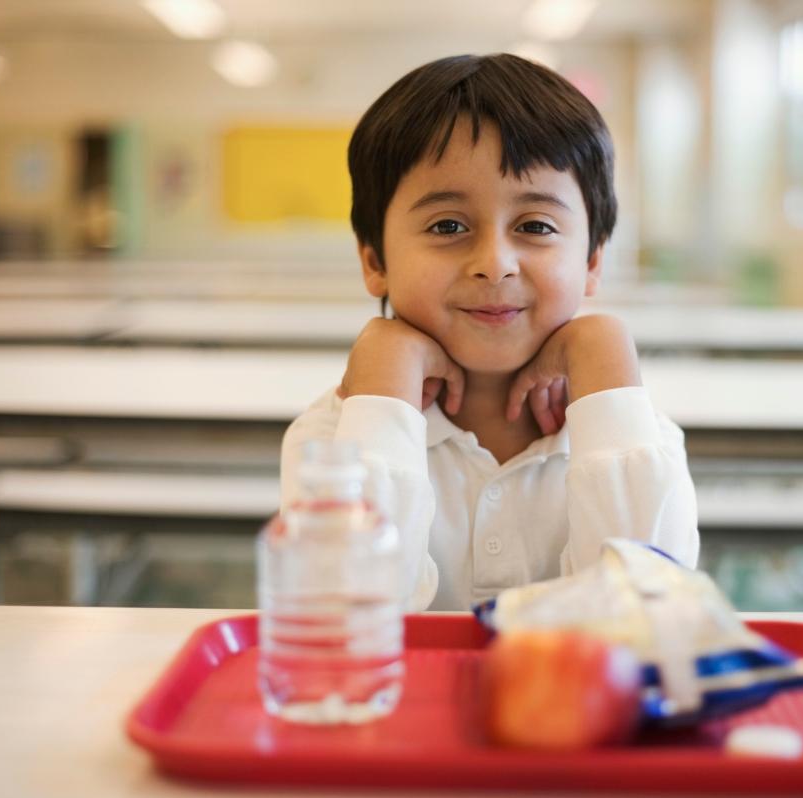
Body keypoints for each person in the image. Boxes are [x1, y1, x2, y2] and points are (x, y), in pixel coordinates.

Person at [280, 53, 699, 611]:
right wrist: (384, 382)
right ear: (375, 259)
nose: (495, 263)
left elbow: (650, 611)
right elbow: (346, 622)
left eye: (535, 226)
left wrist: (606, 354)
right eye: (447, 225)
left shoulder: (635, 433)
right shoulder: (332, 438)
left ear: (593, 259)